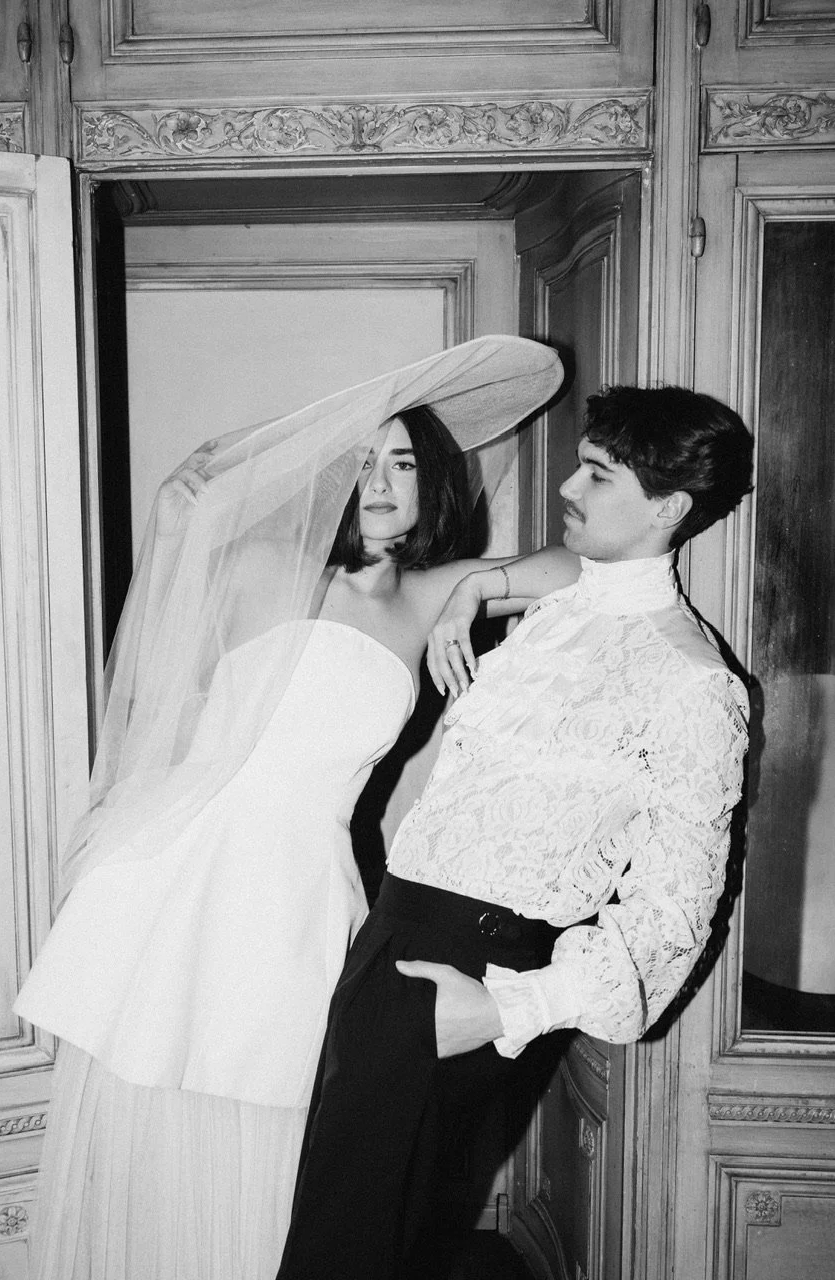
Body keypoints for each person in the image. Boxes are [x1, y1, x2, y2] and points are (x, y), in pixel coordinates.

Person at [13, 336, 576, 1280]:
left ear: (434, 481)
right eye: (361, 461)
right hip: (194, 870)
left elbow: (577, 569)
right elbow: (160, 698)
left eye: (404, 463)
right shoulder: (259, 567)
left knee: (285, 1117)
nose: (381, 483)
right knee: (163, 1100)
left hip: (304, 891)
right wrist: (177, 525)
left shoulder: (428, 594)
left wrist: (479, 586)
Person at [276, 384, 755, 1280]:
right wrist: (476, 587)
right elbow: (557, 570)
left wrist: (504, 1010)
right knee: (338, 1226)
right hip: (393, 929)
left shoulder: (693, 684)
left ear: (668, 508)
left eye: (597, 475)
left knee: (352, 1246)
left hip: (472, 970)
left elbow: (673, 918)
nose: (567, 485)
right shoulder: (563, 608)